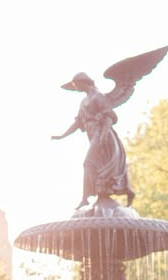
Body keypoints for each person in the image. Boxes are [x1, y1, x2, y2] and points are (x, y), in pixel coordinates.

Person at [52, 72, 134, 210]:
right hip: (92, 135)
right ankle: (125, 190)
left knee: (88, 163)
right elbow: (78, 123)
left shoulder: (98, 96)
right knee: (99, 165)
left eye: (76, 84)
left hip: (102, 134)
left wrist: (103, 134)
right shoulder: (84, 100)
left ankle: (85, 198)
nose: (75, 87)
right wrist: (61, 136)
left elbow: (109, 116)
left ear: (83, 82)